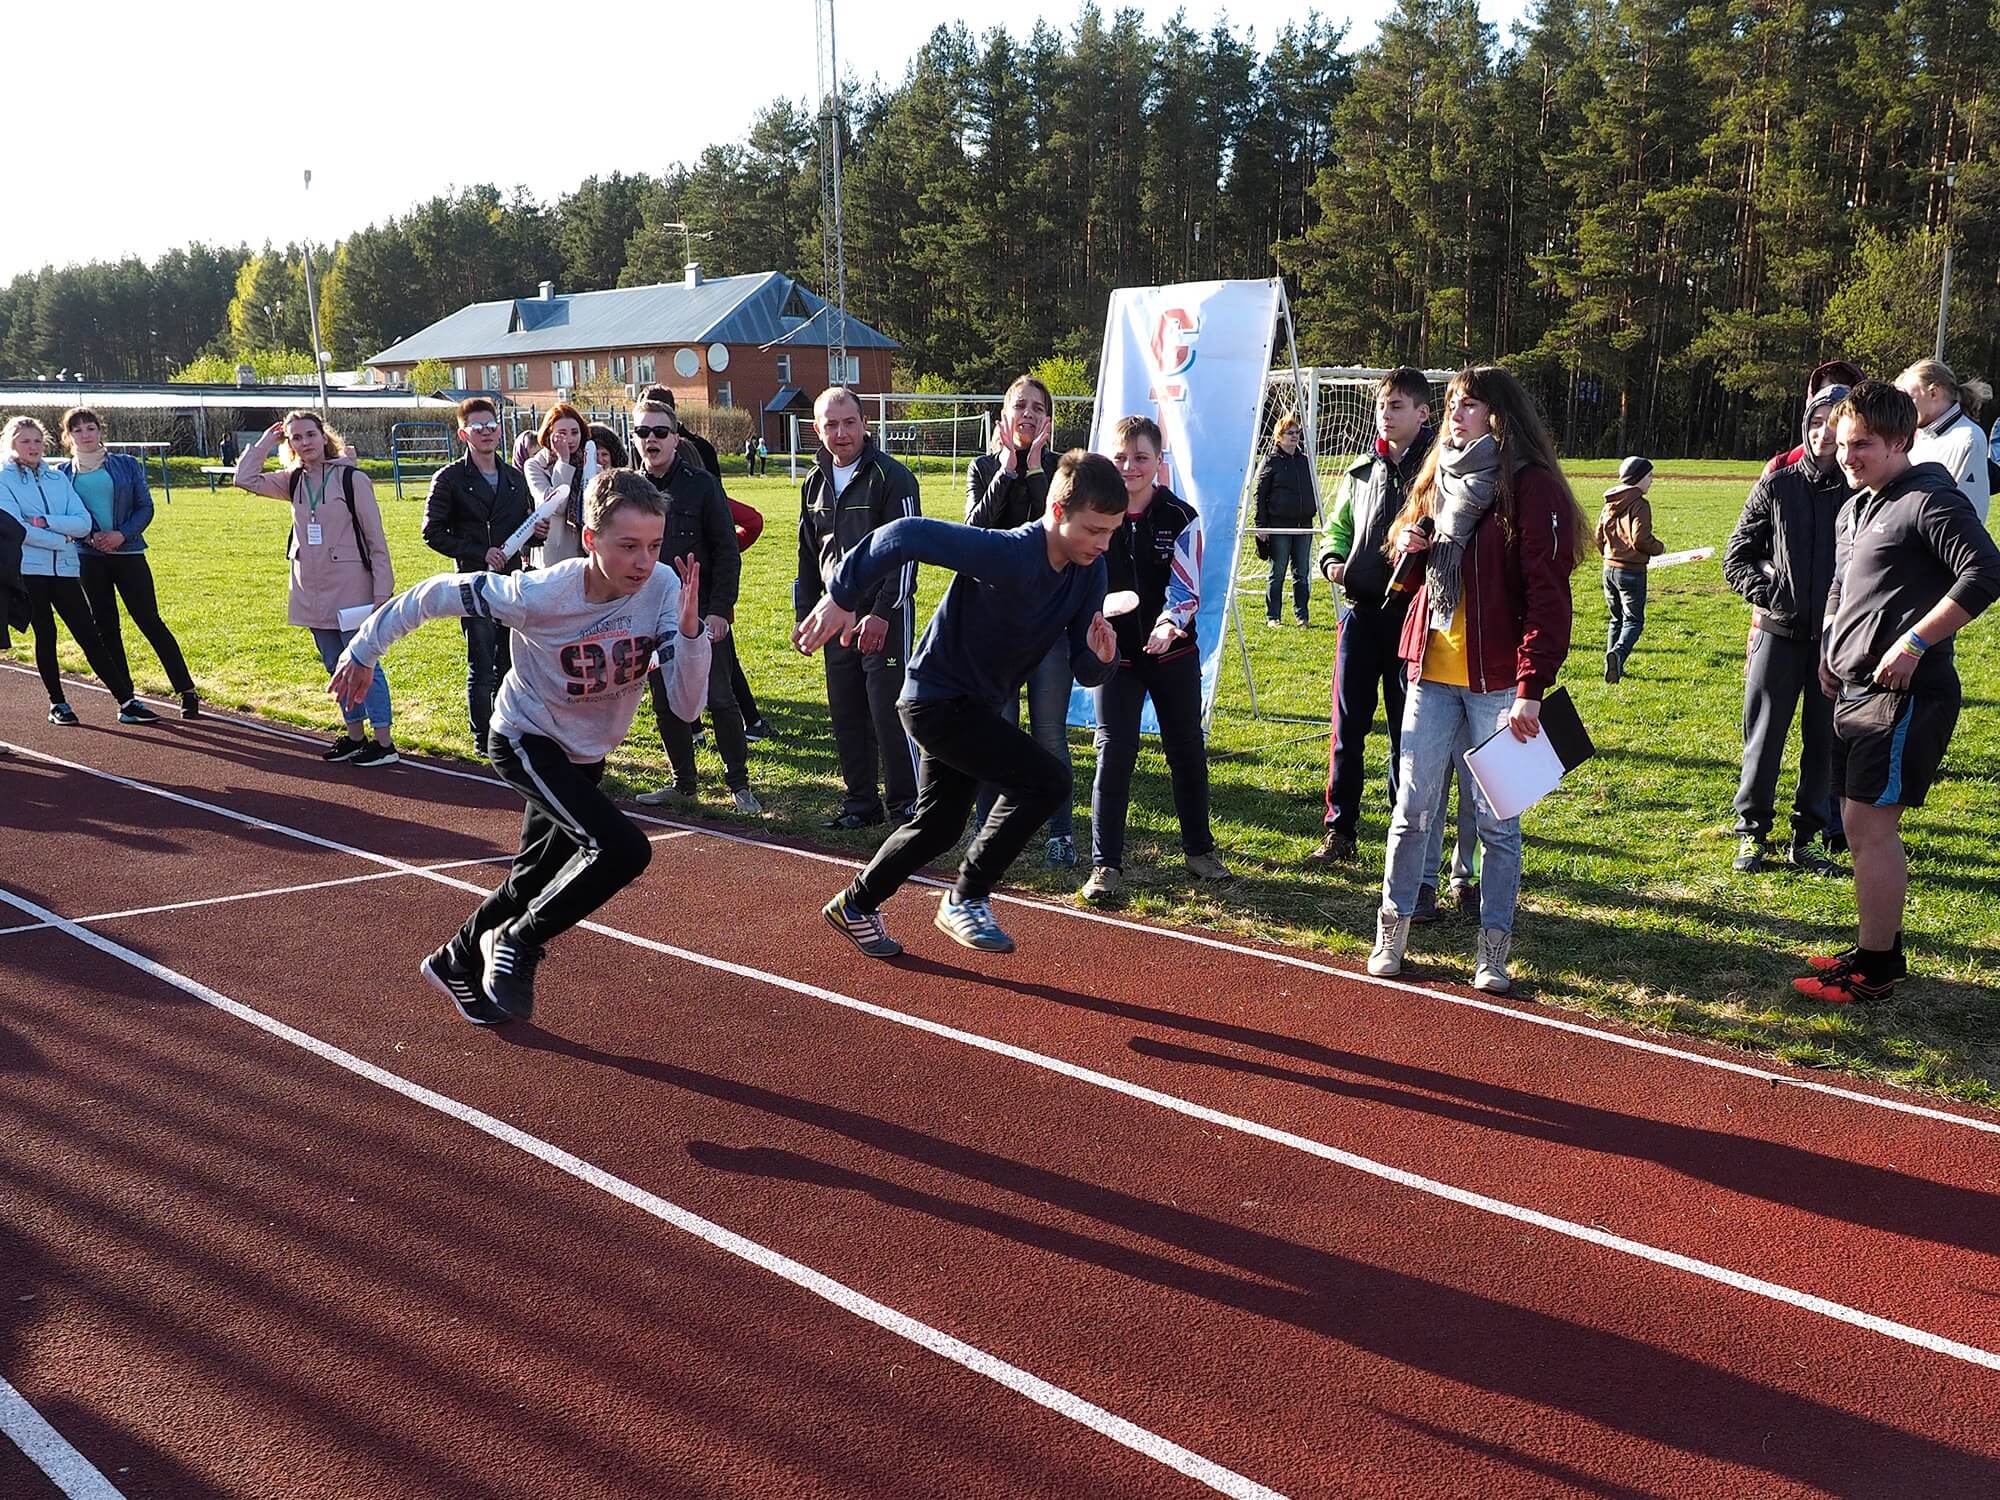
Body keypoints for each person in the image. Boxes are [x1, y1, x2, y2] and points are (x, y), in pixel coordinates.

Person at [331, 469, 711, 1024]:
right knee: (625, 850)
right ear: (589, 540)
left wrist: (691, 635)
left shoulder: (662, 590)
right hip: (525, 738)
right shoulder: (539, 593)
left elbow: (686, 707)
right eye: (627, 546)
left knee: (532, 876)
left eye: (653, 546)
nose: (643, 561)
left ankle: (456, 957)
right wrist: (363, 652)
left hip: (586, 751)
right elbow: (434, 594)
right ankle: (520, 940)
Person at [799, 450, 1122, 959]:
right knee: (1047, 780)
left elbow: (1085, 666)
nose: (1103, 544)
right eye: (1094, 530)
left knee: (939, 824)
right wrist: (841, 593)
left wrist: (1103, 657)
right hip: (935, 699)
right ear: (1057, 513)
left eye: (1112, 531)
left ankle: (855, 905)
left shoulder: (1088, 573)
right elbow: (904, 534)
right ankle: (966, 896)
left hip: (977, 707)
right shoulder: (1010, 553)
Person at [1366, 366, 1586, 994]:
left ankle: (1492, 950)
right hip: (1429, 671)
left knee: (1497, 823)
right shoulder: (1439, 472)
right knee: (1412, 808)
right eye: (1453, 405)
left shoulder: (1529, 486)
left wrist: (1530, 688)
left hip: (1496, 681)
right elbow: (1407, 574)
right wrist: (1407, 547)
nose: (1455, 415)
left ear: (1500, 414)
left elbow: (1548, 597)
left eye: (1469, 405)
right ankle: (1393, 930)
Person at [1793, 381, 2000, 1003]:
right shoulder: (1857, 505)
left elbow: (1986, 572)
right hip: (1852, 688)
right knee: (1859, 825)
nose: (1845, 456)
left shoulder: (1929, 497)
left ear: (1902, 442)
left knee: (1868, 825)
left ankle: (1877, 970)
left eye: (1861, 446)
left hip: (1906, 695)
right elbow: (1841, 585)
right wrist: (1832, 648)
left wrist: (1914, 645)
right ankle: (1875, 948)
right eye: (1840, 442)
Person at [1079, 417, 1229, 903]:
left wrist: (1169, 625)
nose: (1130, 467)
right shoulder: (1096, 513)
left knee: (1186, 749)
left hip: (1173, 653)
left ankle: (1199, 851)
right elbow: (1080, 578)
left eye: (1141, 458)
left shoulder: (1180, 516)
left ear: (1158, 462)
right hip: (1114, 656)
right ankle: (1106, 864)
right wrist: (1092, 621)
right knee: (1113, 753)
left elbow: (1186, 588)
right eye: (1120, 458)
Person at [1722, 382, 1853, 876]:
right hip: (1777, 638)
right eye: (1817, 423)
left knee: (1824, 742)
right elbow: (1737, 558)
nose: (1824, 433)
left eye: (1835, 424)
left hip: (1835, 644)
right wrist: (1772, 594)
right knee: (1764, 739)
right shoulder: (1778, 485)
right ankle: (1751, 834)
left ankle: (1809, 836)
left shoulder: (1859, 493)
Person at [1309, 368, 1434, 864]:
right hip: (1361, 617)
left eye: (1398, 405)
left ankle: (1401, 836)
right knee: (1347, 728)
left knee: (1409, 732)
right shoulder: (1362, 470)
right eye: (1382, 405)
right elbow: (1337, 528)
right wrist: (1332, 561)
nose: (1386, 413)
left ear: (1424, 413)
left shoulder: (1440, 471)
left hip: (1414, 619)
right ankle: (1340, 831)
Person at [234, 410, 398, 767]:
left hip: (352, 588)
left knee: (362, 662)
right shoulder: (292, 480)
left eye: (310, 435)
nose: (304, 443)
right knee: (333, 665)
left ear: (323, 437)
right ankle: (355, 737)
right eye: (296, 437)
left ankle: (383, 742)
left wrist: (382, 593)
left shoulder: (351, 478)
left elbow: (376, 540)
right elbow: (244, 479)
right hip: (311, 587)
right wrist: (264, 442)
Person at [796, 386, 922, 829]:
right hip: (836, 616)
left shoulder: (893, 477)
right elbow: (808, 554)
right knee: (847, 710)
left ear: (864, 424)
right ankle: (861, 803)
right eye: (830, 424)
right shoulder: (814, 482)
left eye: (849, 422)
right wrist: (806, 614)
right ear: (817, 430)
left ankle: (909, 804)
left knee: (888, 711)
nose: (841, 432)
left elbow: (906, 553)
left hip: (883, 614)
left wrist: (884, 613)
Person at [625, 400, 758, 814]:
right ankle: (684, 783)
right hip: (650, 614)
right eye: (643, 432)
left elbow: (726, 550)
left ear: (676, 438)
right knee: (666, 702)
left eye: (660, 432)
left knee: (719, 696)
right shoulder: (628, 489)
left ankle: (740, 785)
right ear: (635, 438)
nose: (651, 439)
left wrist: (720, 609)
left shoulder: (702, 485)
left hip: (700, 613)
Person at [966, 374, 1078, 865]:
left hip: (1048, 624)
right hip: (994, 624)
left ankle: (1061, 833)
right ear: (1003, 418)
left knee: (1049, 733)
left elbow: (1050, 533)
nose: (1027, 414)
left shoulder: (1061, 469)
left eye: (1037, 408)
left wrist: (1035, 471)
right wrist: (1008, 471)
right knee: (997, 728)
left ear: (1048, 421)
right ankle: (989, 830)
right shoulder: (983, 466)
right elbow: (975, 532)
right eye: (1020, 406)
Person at [0, 416, 155, 726]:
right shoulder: (4, 479)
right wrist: (62, 538)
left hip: (66, 570)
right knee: (47, 635)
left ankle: (126, 701)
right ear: (12, 444)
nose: (32, 447)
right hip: (29, 570)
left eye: (36, 441)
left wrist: (45, 522)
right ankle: (58, 703)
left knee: (89, 633)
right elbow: (15, 528)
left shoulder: (58, 478)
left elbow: (82, 523)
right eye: (25, 441)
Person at [56, 407, 200, 719]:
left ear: (100, 430)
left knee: (149, 620)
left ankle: (186, 689)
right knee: (106, 627)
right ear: (68, 437)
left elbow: (145, 507)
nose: (85, 434)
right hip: (89, 558)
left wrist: (122, 534)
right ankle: (127, 698)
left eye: (90, 428)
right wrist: (90, 537)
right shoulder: (62, 474)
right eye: (78, 430)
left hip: (129, 553)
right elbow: (67, 518)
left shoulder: (125, 465)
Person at [423, 396, 536, 756]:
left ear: (500, 430)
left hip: (510, 583)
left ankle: (506, 730)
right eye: (478, 427)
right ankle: (482, 737)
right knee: (482, 664)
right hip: (473, 584)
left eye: (491, 426)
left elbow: (522, 528)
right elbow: (432, 532)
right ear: (463, 434)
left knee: (510, 662)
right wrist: (477, 552)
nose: (486, 432)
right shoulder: (450, 479)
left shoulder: (515, 479)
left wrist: (538, 532)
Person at [1594, 455, 1665, 683]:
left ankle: (1613, 667)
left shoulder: (1610, 502)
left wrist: (1608, 555)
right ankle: (1618, 653)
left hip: (1609, 568)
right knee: (1634, 621)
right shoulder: (1640, 504)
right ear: (1638, 478)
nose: (1652, 481)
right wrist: (1658, 548)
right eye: (1649, 476)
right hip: (1632, 572)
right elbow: (1640, 539)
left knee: (1616, 619)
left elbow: (1598, 536)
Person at [1896, 359, 1992, 523]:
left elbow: (1969, 512)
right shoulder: (1916, 435)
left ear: (1934, 393)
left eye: (1909, 399)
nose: (1903, 408)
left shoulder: (1968, 438)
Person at [525, 403, 616, 567]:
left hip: (584, 552)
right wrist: (564, 461)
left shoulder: (593, 467)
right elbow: (555, 505)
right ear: (549, 435)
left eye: (575, 432)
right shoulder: (535, 465)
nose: (569, 439)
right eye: (562, 433)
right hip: (553, 558)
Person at [1254, 412, 1316, 627]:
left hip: (1304, 525)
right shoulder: (1271, 461)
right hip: (1279, 525)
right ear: (1279, 436)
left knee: (1302, 573)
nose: (1295, 436)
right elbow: (1260, 495)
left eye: (1297, 432)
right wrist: (1261, 526)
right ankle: (1273, 617)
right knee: (1277, 572)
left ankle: (1302, 617)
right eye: (1290, 433)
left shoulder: (1304, 461)